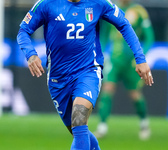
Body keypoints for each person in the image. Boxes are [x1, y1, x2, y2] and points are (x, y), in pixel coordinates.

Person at [17, 0, 154, 149]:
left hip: (88, 71)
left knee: (79, 117)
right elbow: (23, 31)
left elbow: (124, 24)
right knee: (80, 131)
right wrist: (31, 54)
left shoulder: (98, 3)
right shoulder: (47, 4)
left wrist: (140, 58)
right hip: (58, 79)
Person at [94, 0, 154, 140]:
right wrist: (101, 54)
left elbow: (150, 36)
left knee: (135, 94)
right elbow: (103, 35)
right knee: (107, 90)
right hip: (115, 60)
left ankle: (144, 124)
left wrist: (141, 57)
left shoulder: (139, 11)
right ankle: (102, 127)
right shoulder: (111, 9)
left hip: (131, 62)